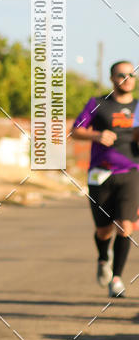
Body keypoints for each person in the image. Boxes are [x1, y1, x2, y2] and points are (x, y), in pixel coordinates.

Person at [71, 61, 139, 298]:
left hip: (131, 173)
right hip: (100, 175)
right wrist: (97, 135)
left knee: (126, 227)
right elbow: (75, 130)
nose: (127, 78)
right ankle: (103, 258)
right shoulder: (98, 103)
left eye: (131, 74)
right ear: (112, 79)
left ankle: (117, 279)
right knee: (103, 230)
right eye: (122, 74)